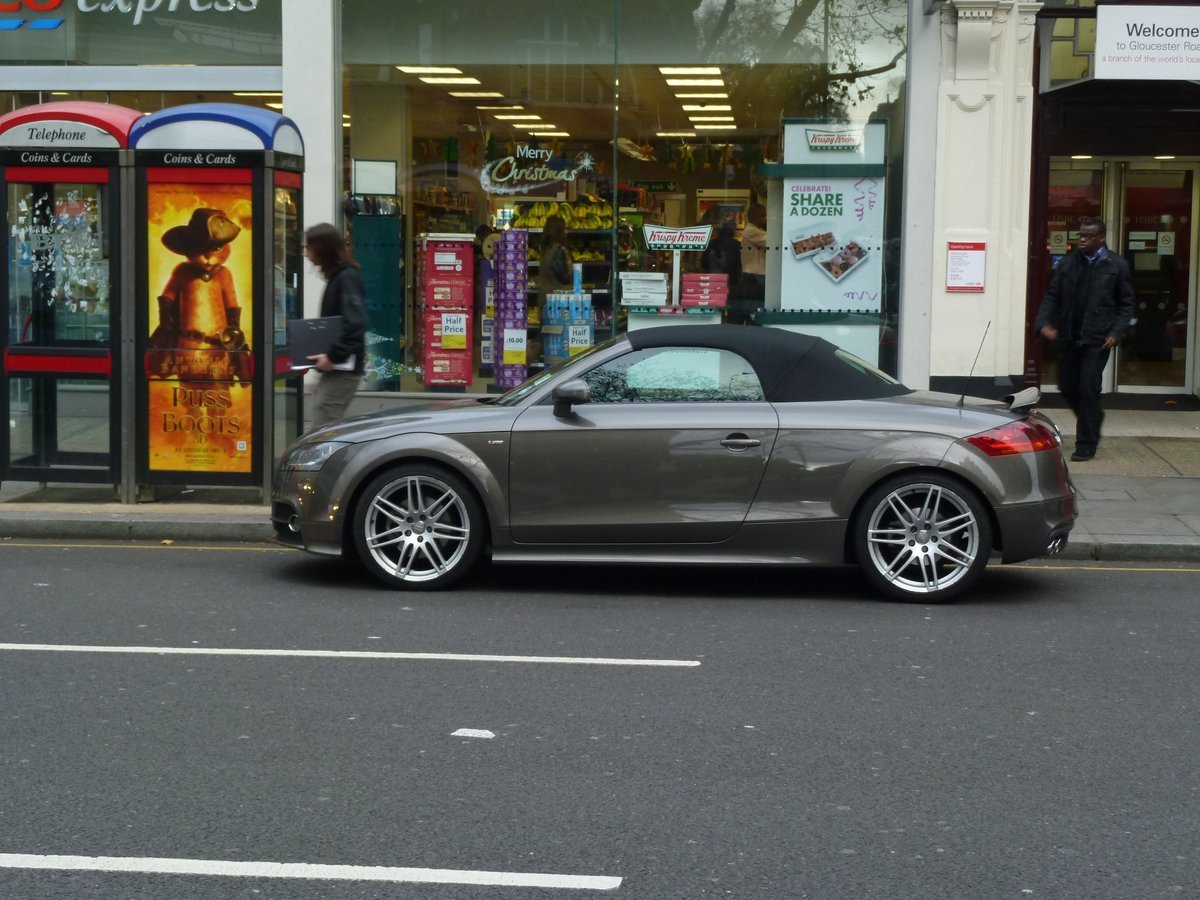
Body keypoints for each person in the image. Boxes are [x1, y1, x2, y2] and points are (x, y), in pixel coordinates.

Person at [1034, 216, 1134, 462]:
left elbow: (1126, 304)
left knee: (1088, 388)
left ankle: (1086, 444)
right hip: (1068, 336)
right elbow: (1052, 295)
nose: (1082, 240)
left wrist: (1115, 333)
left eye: (1088, 236)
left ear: (1101, 239)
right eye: (1080, 235)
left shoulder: (1116, 265)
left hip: (1098, 339)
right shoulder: (1068, 264)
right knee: (1067, 387)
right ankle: (1093, 418)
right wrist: (1043, 323)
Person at [149, 207, 251, 387]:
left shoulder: (224, 275)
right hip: (186, 345)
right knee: (189, 389)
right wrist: (166, 317)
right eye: (200, 249)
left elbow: (231, 303)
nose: (208, 255)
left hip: (218, 346)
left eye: (216, 248)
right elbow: (168, 295)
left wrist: (233, 328)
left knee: (219, 390)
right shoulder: (182, 271)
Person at [303, 222, 368, 429]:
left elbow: (356, 324)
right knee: (325, 418)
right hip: (339, 367)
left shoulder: (345, 278)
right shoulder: (340, 277)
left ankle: (330, 462)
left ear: (322, 249)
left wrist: (332, 356)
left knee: (325, 428)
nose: (305, 253)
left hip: (343, 367)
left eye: (308, 248)